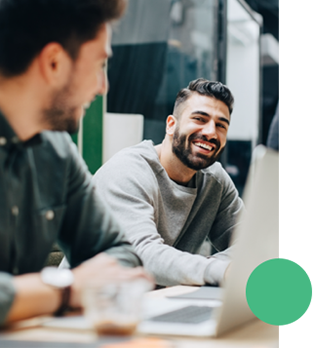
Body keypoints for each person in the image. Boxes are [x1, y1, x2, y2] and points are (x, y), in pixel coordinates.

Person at [0, 0, 151, 333]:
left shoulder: (56, 149)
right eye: (99, 65)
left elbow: (119, 254)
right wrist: (59, 289)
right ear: (53, 63)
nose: (103, 86)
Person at [93, 79, 244, 287]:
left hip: (161, 302)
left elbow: (249, 244)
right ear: (171, 125)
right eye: (200, 119)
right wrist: (222, 270)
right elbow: (143, 256)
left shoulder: (215, 181)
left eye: (220, 125)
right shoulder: (127, 172)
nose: (210, 132)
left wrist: (218, 267)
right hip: (88, 308)